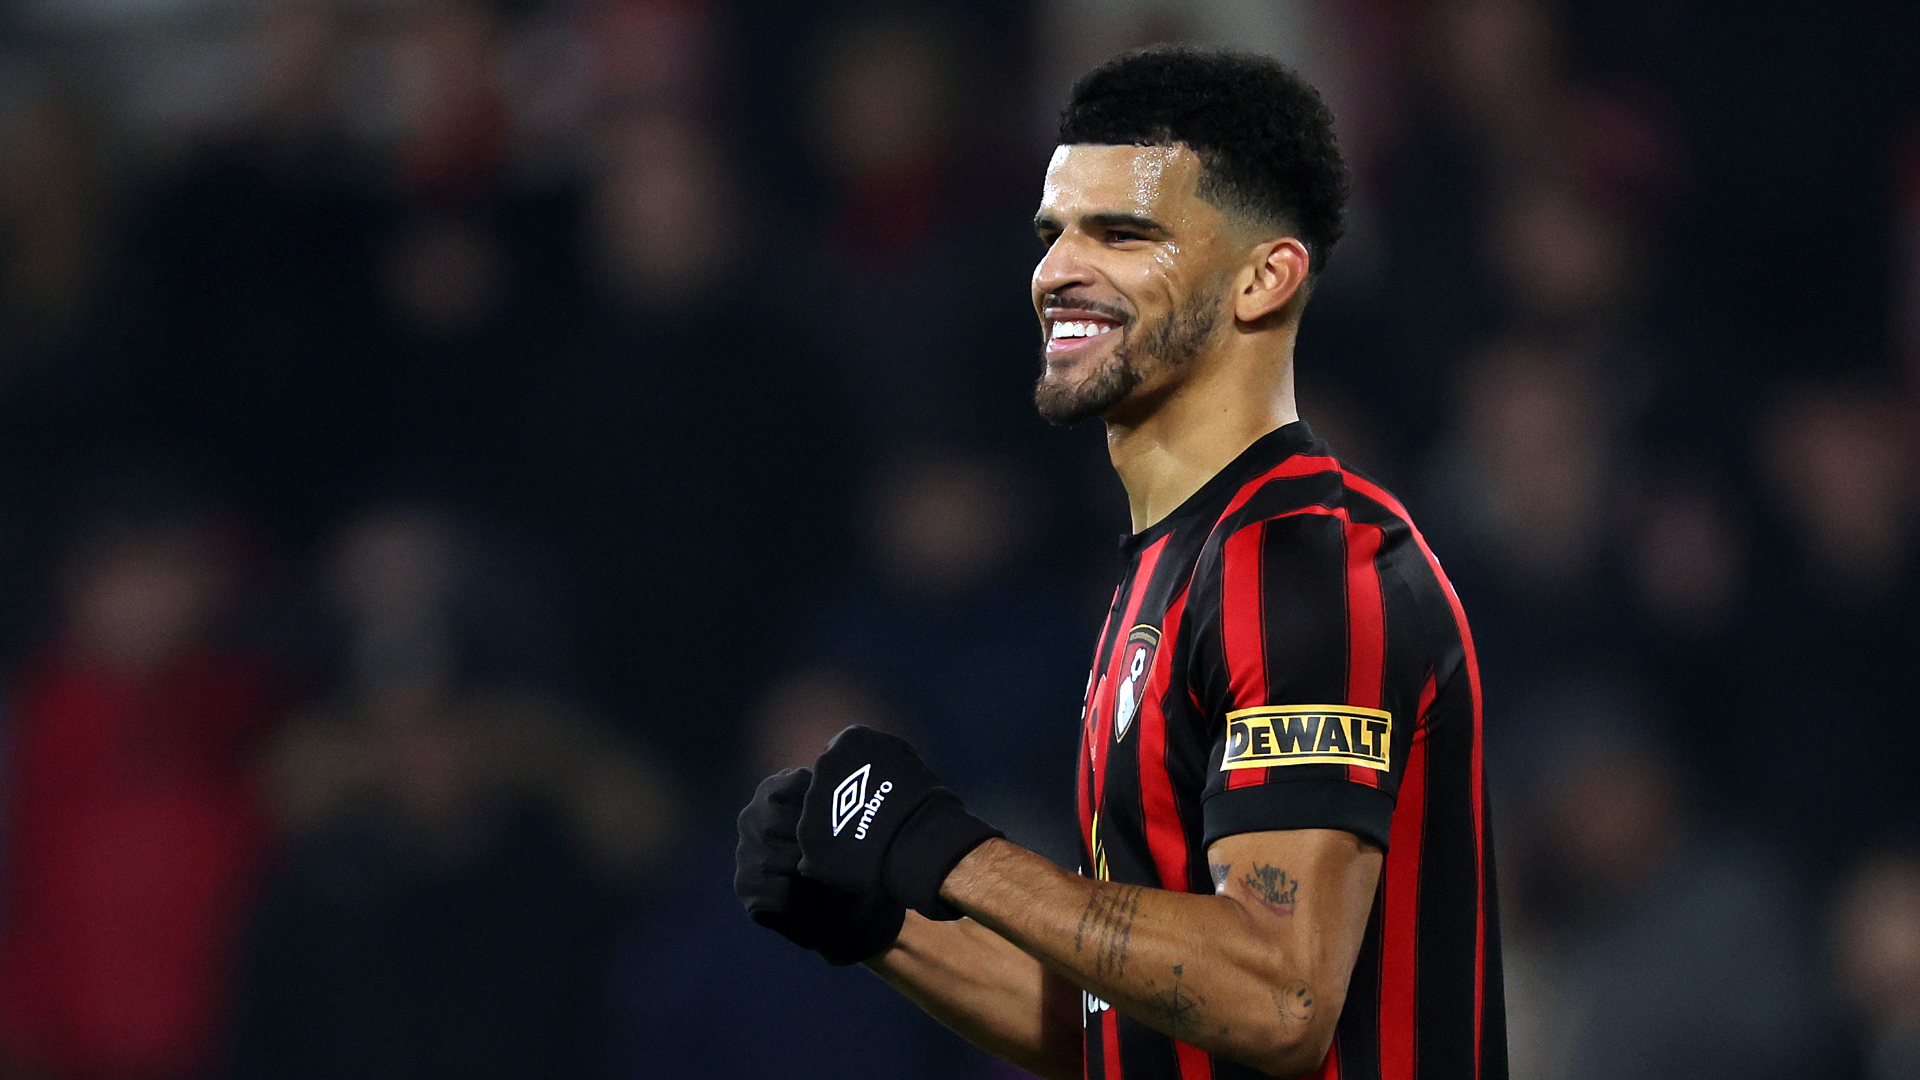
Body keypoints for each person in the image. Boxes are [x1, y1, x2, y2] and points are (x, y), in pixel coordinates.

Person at [736, 47, 1505, 1080]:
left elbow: (1277, 997)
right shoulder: (1166, 575)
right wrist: (877, 924)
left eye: (1124, 234)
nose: (1058, 271)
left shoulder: (1304, 568)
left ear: (1263, 279)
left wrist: (951, 853)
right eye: (1054, 233)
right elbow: (1131, 1023)